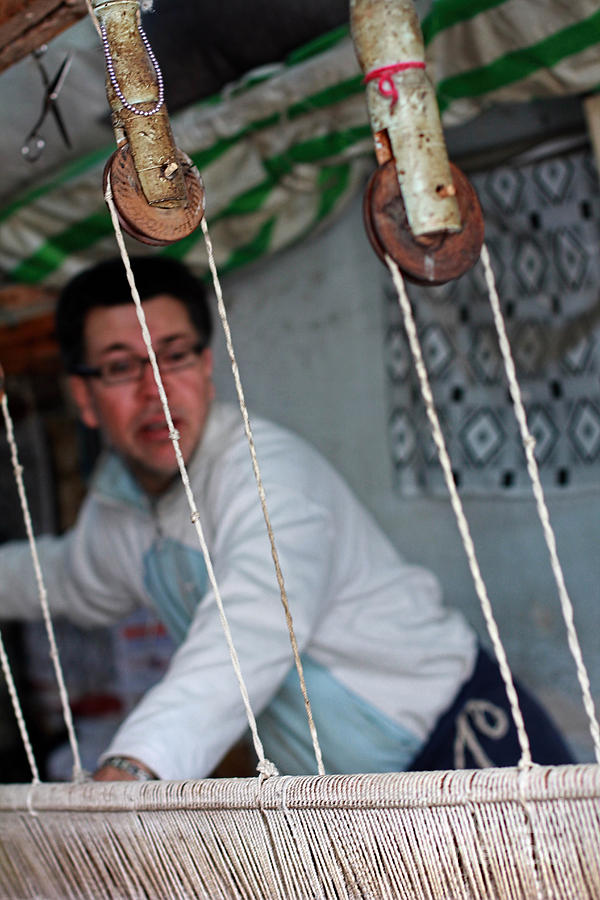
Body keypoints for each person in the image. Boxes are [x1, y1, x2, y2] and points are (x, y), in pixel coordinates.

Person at [0, 256, 572, 781]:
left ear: (205, 366)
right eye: (121, 368)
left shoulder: (265, 473)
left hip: (464, 746)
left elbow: (249, 630)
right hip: (348, 798)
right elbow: (66, 577)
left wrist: (135, 766)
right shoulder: (121, 508)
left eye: (174, 356)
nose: (155, 392)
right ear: (83, 397)